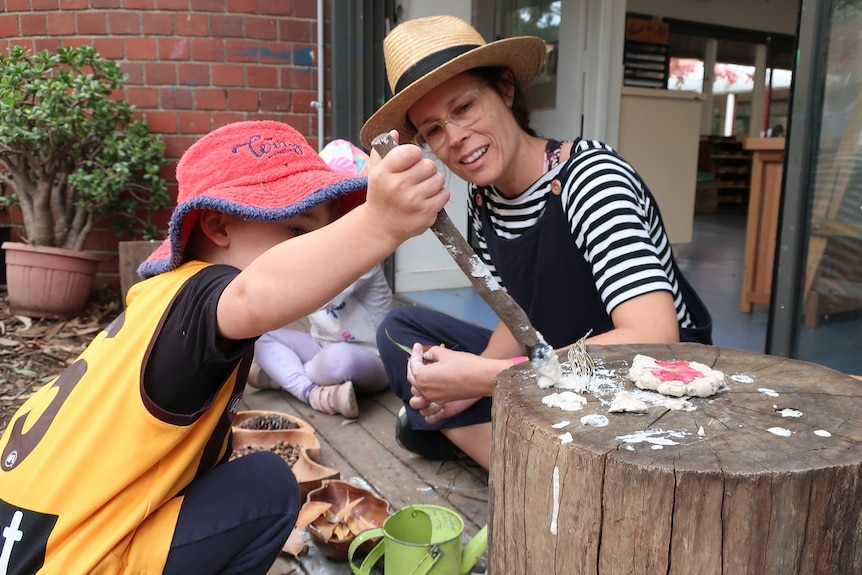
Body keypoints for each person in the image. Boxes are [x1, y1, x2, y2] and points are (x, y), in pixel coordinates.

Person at [0, 120, 447, 573]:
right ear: (217, 226)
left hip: (25, 537)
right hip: (70, 560)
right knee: (267, 485)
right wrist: (380, 223)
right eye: (297, 231)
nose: (313, 248)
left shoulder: (159, 299)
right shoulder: (208, 294)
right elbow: (254, 292)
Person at [359, 15, 713, 471]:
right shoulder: (485, 199)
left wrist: (486, 379)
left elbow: (654, 337)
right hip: (558, 362)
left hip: (650, 383)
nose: (455, 139)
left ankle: (538, 478)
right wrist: (469, 377)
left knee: (427, 412)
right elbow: (521, 315)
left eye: (464, 108)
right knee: (400, 332)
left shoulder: (592, 179)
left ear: (505, 90)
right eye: (433, 130)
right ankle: (527, 463)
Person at [247, 139, 393, 419]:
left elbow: (315, 291)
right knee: (259, 337)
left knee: (339, 360)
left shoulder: (364, 255)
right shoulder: (316, 250)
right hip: (320, 346)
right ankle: (312, 392)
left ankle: (283, 378)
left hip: (371, 356)